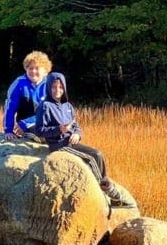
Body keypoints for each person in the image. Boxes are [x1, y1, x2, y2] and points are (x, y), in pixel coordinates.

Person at [35, 74, 131, 206]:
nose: (57, 90)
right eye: (54, 87)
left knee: (98, 154)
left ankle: (105, 188)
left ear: (64, 88)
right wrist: (59, 129)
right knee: (92, 159)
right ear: (48, 88)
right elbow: (39, 130)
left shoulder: (67, 106)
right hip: (58, 144)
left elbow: (76, 126)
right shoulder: (45, 106)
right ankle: (108, 193)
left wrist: (77, 134)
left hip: (71, 142)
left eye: (60, 87)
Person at [2, 51, 63, 141]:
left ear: (45, 71)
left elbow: (50, 112)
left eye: (37, 68)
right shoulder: (18, 83)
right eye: (30, 68)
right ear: (26, 69)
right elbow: (10, 108)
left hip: (43, 122)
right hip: (26, 126)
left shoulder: (51, 86)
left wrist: (25, 123)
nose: (33, 71)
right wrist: (8, 131)